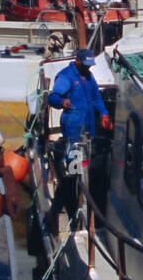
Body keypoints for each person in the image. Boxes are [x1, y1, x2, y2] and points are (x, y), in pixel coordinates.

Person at [45, 49, 113, 231]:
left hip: (88, 130)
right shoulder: (66, 76)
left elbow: (96, 97)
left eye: (90, 65)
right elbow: (52, 97)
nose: (88, 68)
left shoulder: (88, 77)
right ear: (77, 60)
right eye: (86, 64)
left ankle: (83, 207)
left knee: (87, 170)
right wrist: (62, 103)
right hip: (74, 132)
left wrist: (104, 114)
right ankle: (62, 211)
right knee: (71, 173)